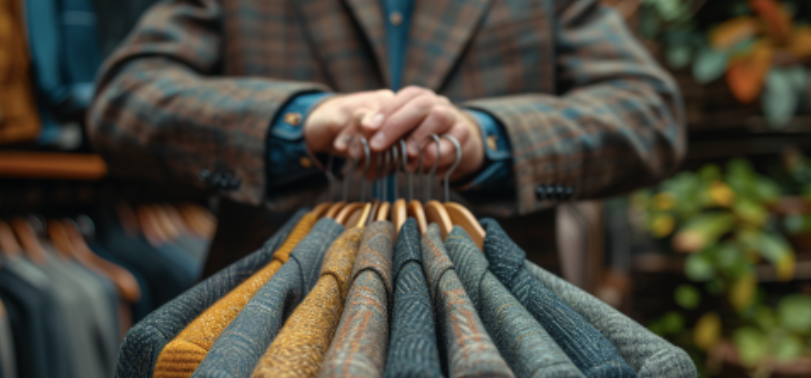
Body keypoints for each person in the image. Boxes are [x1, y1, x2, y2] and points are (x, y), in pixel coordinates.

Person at [87, 0, 685, 271]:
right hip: (269, 334)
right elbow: (125, 101)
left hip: (503, 340)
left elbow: (649, 114)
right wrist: (299, 122)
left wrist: (487, 139)